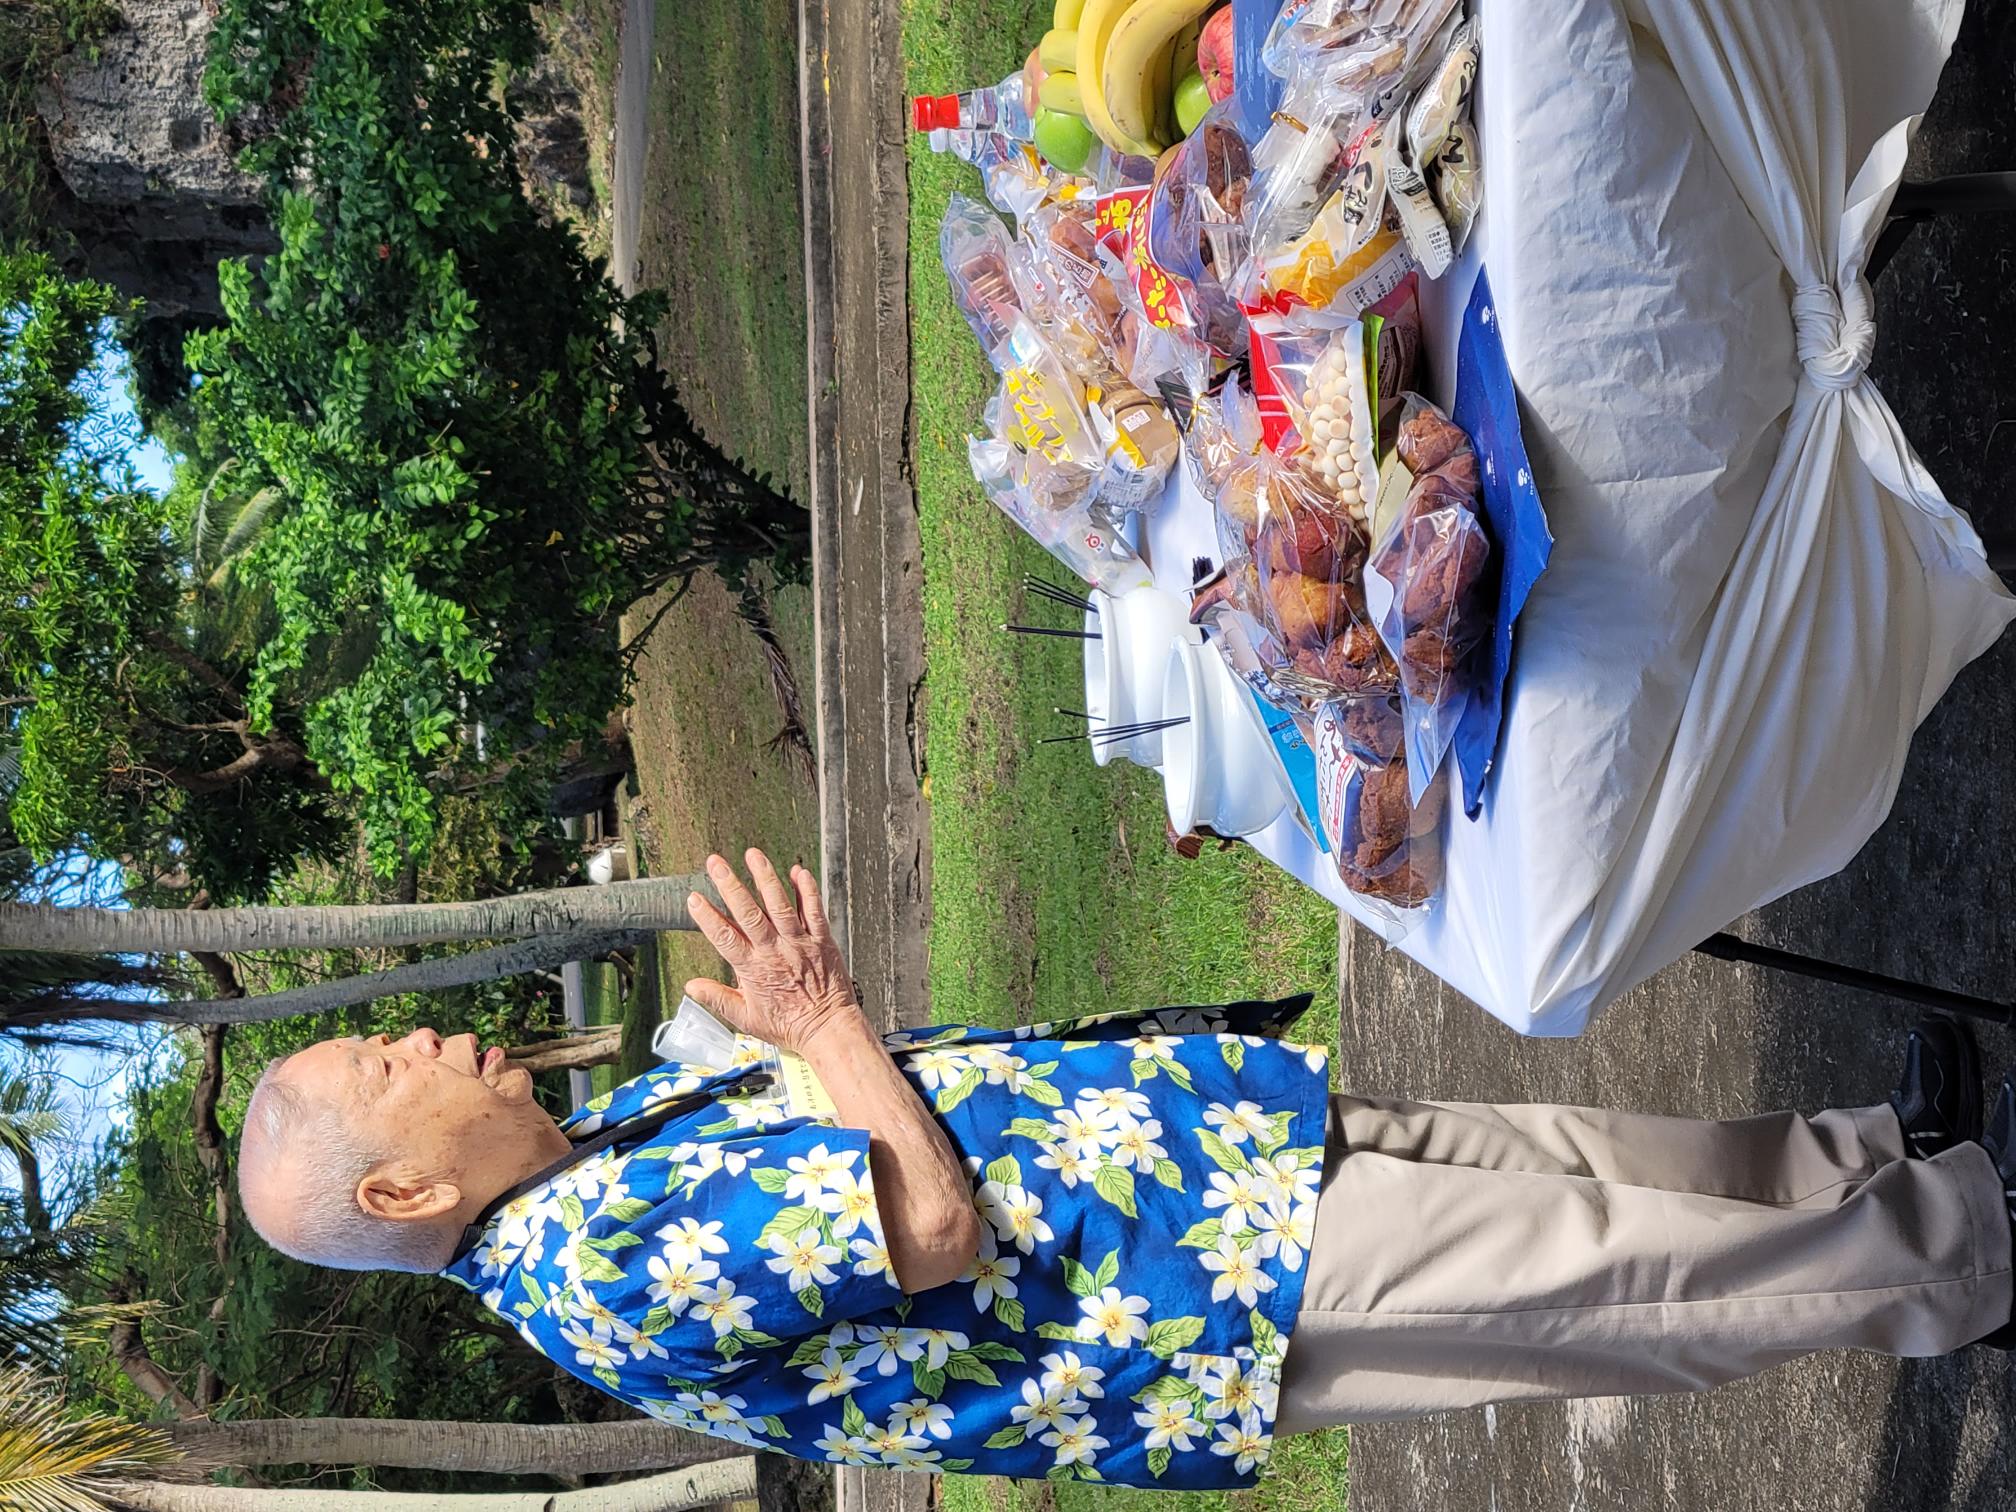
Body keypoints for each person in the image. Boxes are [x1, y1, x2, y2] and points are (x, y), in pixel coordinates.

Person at [237, 851, 2015, 1491]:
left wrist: (789, 1051)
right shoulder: (594, 1264)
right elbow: (925, 1232)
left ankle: (1879, 1163)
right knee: (1617, 1276)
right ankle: (1958, 1261)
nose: (441, 1044)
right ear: (399, 1194)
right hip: (1201, 1284)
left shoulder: (584, 1179)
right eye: (394, 1068)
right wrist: (829, 1019)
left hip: (1201, 1168)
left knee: (1586, 1166)